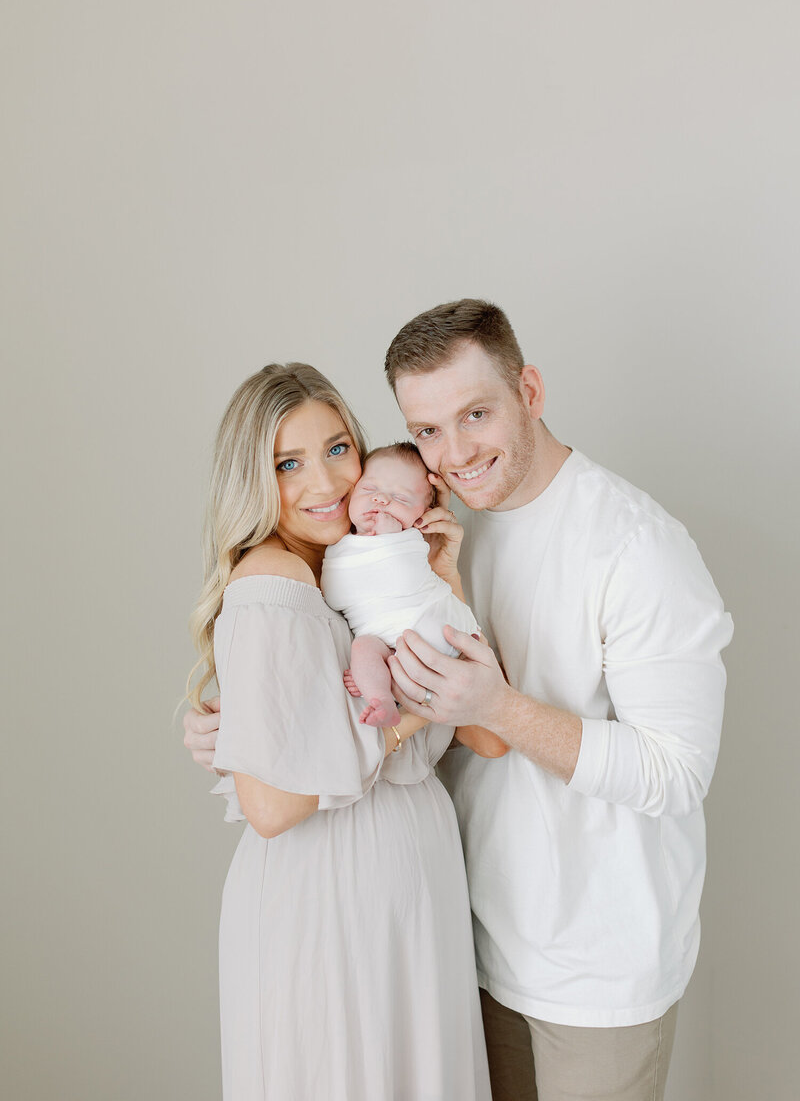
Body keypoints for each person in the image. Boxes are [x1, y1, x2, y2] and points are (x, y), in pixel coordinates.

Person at [381, 300, 734, 1101]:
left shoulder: (637, 547)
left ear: (530, 391)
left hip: (601, 977)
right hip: (473, 944)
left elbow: (676, 771)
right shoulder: (438, 533)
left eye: (476, 414)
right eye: (428, 431)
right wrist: (244, 724)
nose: (456, 452)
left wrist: (499, 708)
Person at [185, 361, 491, 1101]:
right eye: (288, 464)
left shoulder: (342, 578)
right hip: (333, 896)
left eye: (337, 449)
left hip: (401, 883)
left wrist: (442, 582)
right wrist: (410, 715)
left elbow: (489, 734)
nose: (324, 484)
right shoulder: (273, 581)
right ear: (254, 481)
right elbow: (273, 807)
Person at [321, 441, 481, 728]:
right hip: (388, 644)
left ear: (422, 515)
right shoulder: (339, 545)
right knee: (364, 649)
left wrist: (390, 540)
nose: (381, 501)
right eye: (369, 490)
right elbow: (335, 596)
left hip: (433, 622)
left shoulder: (410, 542)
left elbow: (400, 578)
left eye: (401, 499)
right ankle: (381, 698)